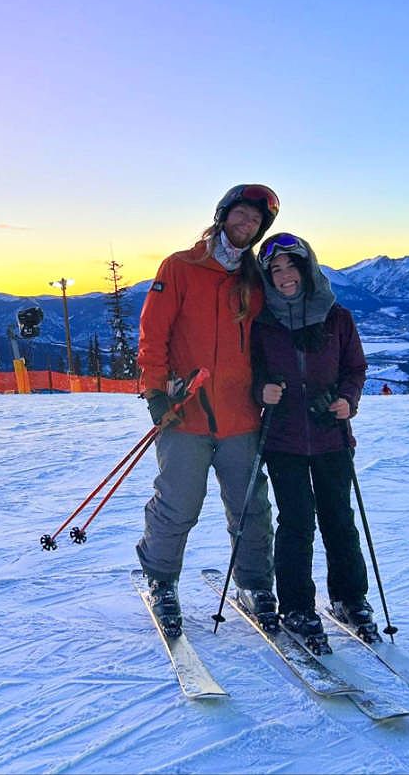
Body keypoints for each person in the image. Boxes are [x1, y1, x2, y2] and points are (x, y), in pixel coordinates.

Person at [136, 184, 281, 636]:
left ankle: (255, 585)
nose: (247, 224)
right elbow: (152, 334)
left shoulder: (255, 279)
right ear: (223, 215)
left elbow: (269, 340)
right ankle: (161, 580)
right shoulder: (180, 267)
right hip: (186, 411)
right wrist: (156, 394)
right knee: (178, 503)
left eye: (256, 221)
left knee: (251, 507)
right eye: (241, 215)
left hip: (240, 414)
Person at [250, 231, 375, 649]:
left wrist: (347, 399)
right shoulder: (262, 323)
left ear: (307, 268)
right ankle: (298, 607)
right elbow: (248, 375)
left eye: (292, 266)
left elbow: (355, 368)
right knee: (297, 523)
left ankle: (349, 598)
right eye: (276, 269)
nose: (284, 276)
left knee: (340, 520)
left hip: (331, 434)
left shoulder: (337, 317)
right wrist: (260, 391)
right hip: (283, 439)